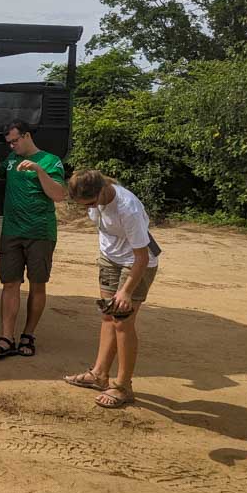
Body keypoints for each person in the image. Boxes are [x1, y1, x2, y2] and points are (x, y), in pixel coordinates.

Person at [62, 170, 160, 409]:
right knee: (108, 316)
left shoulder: (128, 209)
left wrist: (126, 291)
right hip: (110, 259)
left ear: (103, 191)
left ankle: (123, 386)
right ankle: (99, 374)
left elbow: (141, 257)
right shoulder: (97, 200)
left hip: (135, 263)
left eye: (91, 203)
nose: (90, 208)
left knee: (122, 322)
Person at [0, 120, 66, 359]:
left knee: (37, 284)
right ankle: (7, 337)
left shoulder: (50, 161)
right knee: (10, 283)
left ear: (26, 136)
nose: (12, 146)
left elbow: (58, 195)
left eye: (15, 141)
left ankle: (28, 334)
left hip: (40, 233)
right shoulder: (12, 160)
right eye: (9, 143)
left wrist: (39, 171)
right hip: (12, 232)